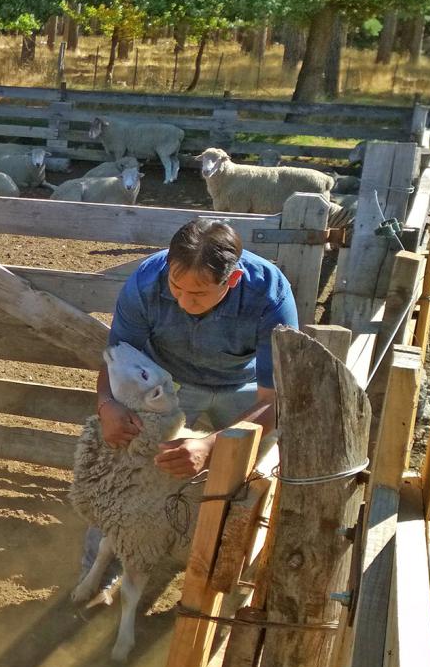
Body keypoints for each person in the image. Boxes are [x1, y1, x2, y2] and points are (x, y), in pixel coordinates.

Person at [81, 216, 299, 600]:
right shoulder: (146, 283)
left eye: (198, 294)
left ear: (232, 280)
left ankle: (229, 586)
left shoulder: (269, 295)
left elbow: (274, 399)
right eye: (176, 287)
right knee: (126, 468)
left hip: (245, 388)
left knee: (255, 476)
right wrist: (107, 405)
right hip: (169, 383)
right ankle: (97, 580)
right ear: (168, 267)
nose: (184, 301)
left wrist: (212, 445)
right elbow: (118, 358)